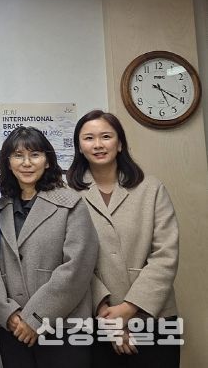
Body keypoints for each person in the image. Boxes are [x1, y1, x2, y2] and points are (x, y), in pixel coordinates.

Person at [67, 110, 180, 368]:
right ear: (79, 147)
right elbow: (70, 260)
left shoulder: (151, 188)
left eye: (106, 136)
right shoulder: (67, 194)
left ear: (119, 144)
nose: (98, 144)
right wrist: (107, 314)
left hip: (154, 315)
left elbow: (166, 255)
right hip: (96, 318)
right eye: (89, 138)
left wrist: (129, 308)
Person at [0, 126, 97, 368]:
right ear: (8, 163)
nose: (26, 163)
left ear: (47, 161)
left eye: (34, 155)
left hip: (63, 327)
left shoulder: (71, 204)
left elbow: (77, 268)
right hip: (14, 329)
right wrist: (7, 313)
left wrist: (35, 318)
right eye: (18, 155)